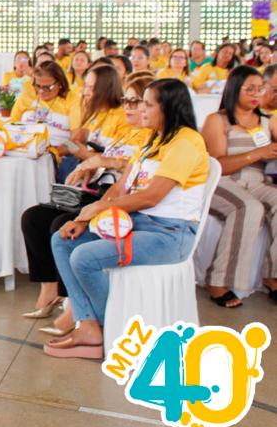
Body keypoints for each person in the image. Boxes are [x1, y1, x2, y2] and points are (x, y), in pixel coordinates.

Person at [45, 79, 210, 359]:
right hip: (138, 222)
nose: (140, 109)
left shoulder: (186, 142)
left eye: (147, 103)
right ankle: (89, 325)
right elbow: (121, 187)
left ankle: (113, 328)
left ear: (168, 107)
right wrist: (85, 219)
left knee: (84, 257)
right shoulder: (153, 139)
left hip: (169, 235)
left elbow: (151, 197)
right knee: (62, 240)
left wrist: (96, 211)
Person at [25, 71, 155, 338]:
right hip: (98, 189)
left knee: (61, 225)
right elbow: (88, 148)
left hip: (118, 202)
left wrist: (100, 161)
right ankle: (49, 291)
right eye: (126, 100)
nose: (127, 106)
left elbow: (132, 175)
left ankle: (73, 304)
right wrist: (92, 164)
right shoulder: (124, 131)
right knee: (33, 217)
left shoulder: (149, 136)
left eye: (135, 101)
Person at [201, 66, 277, 308]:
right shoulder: (218, 120)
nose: (256, 94)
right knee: (249, 207)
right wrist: (258, 153)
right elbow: (218, 165)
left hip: (258, 181)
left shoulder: (267, 120)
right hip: (224, 181)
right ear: (235, 89)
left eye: (260, 89)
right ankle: (218, 281)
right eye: (250, 89)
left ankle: (273, 275)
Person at [10, 61, 82, 148]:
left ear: (59, 83)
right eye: (38, 86)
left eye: (47, 87)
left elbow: (76, 139)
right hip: (26, 149)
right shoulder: (26, 96)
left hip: (61, 153)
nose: (41, 91)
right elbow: (11, 126)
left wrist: (56, 153)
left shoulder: (72, 100)